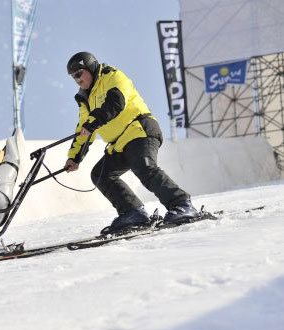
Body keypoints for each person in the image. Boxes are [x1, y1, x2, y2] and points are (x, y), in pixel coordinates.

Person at [64, 51, 199, 234]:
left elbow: (116, 103)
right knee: (100, 175)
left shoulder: (112, 76)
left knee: (143, 166)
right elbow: (83, 130)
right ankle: (133, 212)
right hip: (119, 144)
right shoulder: (84, 99)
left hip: (139, 130)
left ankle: (182, 204)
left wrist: (93, 121)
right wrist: (75, 157)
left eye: (79, 74)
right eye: (73, 77)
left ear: (90, 67)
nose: (77, 79)